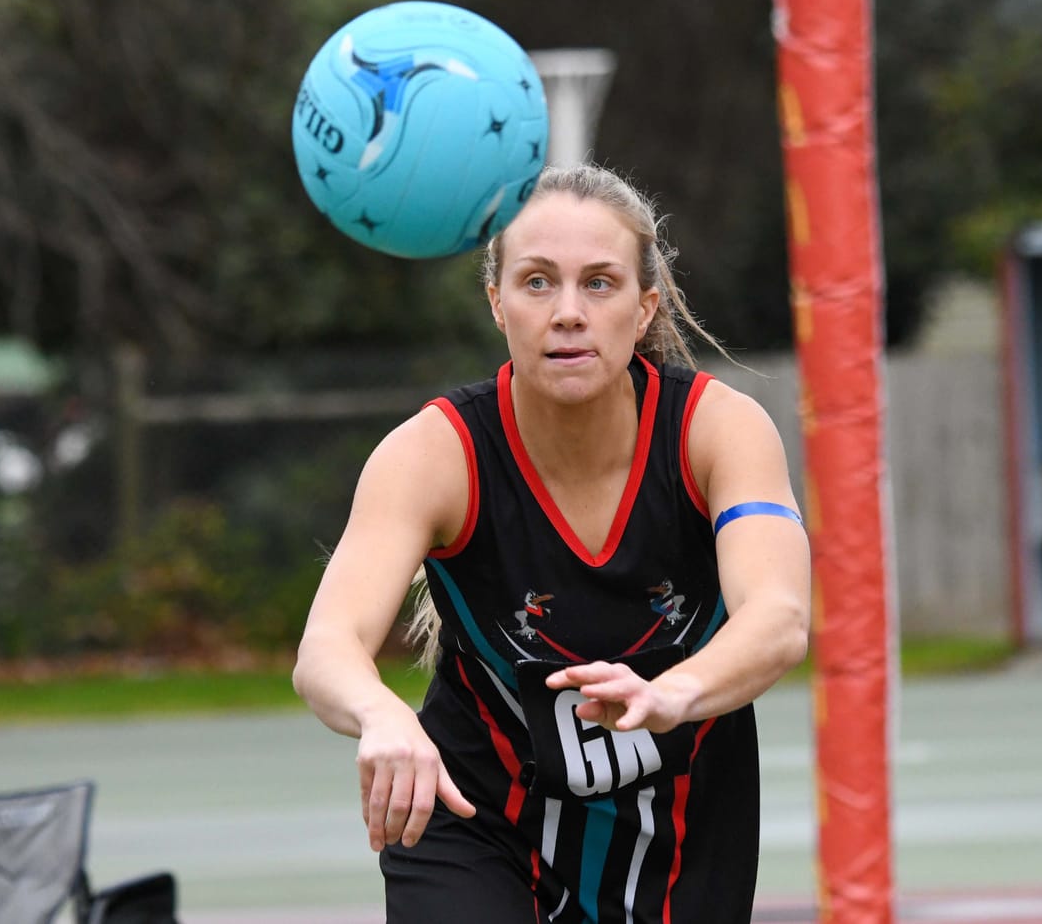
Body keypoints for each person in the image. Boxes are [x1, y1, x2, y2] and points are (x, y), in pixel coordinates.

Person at [293, 164, 811, 922]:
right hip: (476, 820)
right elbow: (328, 644)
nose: (568, 311)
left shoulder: (716, 432)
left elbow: (778, 616)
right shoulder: (435, 454)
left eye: (599, 283)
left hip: (681, 829)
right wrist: (380, 712)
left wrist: (671, 691)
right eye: (538, 282)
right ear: (497, 302)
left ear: (644, 308)